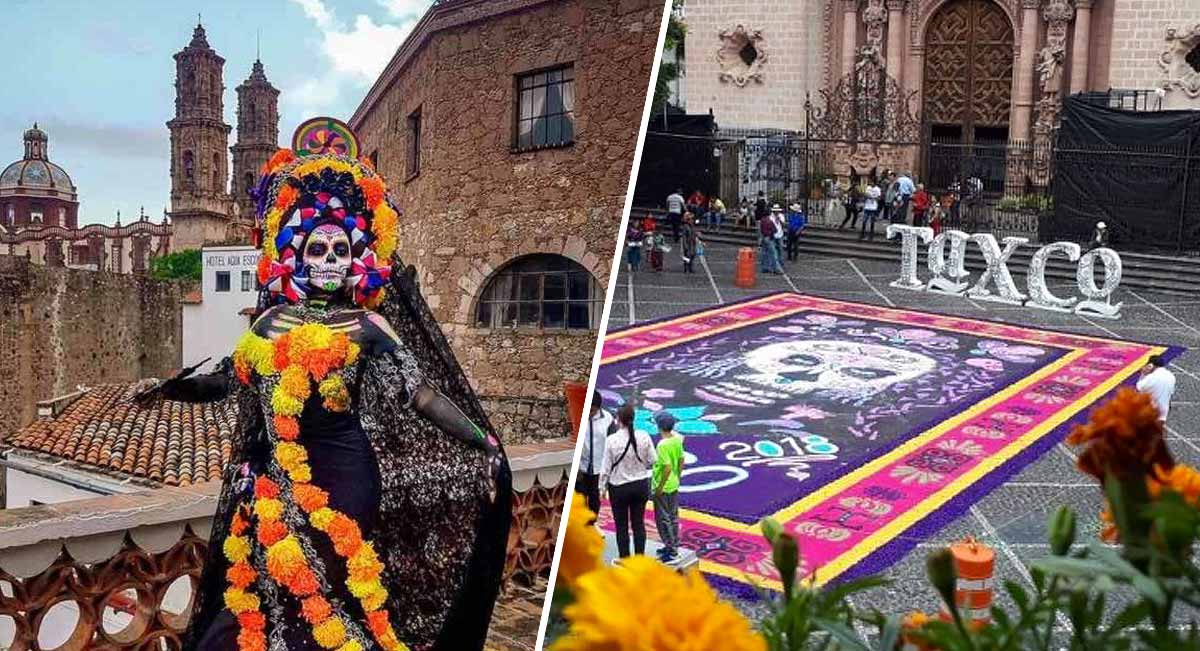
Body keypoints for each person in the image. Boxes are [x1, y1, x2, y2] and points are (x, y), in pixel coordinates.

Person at [143, 118, 510, 651]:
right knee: (268, 596)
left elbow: (422, 395)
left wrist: (484, 440)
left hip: (345, 476)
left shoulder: (367, 327)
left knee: (331, 592)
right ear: (296, 255)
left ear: (357, 259)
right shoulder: (270, 325)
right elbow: (229, 379)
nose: (330, 263)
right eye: (318, 250)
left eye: (341, 252)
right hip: (278, 475)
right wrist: (170, 387)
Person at [601, 403, 656, 559]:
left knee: (621, 526)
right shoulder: (644, 436)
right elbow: (653, 460)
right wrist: (640, 465)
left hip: (619, 488)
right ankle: (639, 559)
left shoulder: (612, 440)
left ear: (618, 419)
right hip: (640, 485)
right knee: (638, 523)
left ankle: (624, 559)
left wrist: (601, 488)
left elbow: (605, 468)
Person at [651, 412, 685, 563]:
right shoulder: (677, 440)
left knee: (663, 518)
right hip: (674, 484)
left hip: (663, 487)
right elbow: (681, 459)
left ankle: (672, 552)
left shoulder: (662, 445)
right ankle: (672, 545)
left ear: (659, 427)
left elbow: (666, 467)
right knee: (673, 516)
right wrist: (677, 476)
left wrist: (660, 486)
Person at [577, 391, 616, 516]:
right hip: (581, 468)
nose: (589, 413)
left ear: (598, 409)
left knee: (594, 499)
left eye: (592, 411)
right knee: (579, 500)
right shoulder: (579, 416)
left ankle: (592, 524)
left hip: (599, 468)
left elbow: (612, 444)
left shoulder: (608, 419)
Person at [1136, 355, 1177, 423]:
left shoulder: (1152, 377)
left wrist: (1143, 374)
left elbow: (1139, 387)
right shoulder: (1171, 376)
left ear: (1151, 365)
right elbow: (1170, 393)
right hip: (1163, 412)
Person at [759, 205, 783, 274]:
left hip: (764, 237)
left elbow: (761, 230)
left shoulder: (762, 220)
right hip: (769, 238)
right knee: (773, 253)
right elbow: (775, 230)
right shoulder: (769, 221)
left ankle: (765, 267)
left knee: (765, 253)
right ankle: (776, 269)